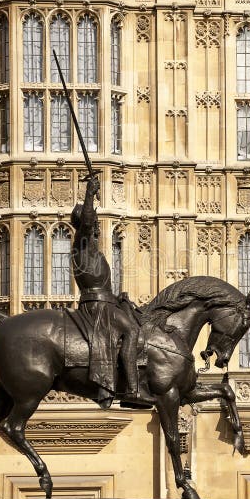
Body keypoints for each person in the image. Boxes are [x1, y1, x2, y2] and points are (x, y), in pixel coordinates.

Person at [70, 174, 139, 407]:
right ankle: (131, 389)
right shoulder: (82, 245)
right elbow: (87, 222)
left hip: (105, 301)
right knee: (130, 330)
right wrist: (90, 193)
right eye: (94, 223)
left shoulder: (92, 252)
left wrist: (118, 297)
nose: (97, 226)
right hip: (96, 307)